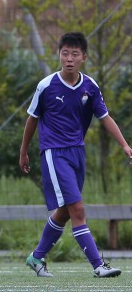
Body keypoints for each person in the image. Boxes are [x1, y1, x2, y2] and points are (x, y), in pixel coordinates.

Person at [19, 31, 128, 278]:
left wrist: (124, 145)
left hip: (78, 153)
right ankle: (98, 265)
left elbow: (105, 117)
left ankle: (36, 257)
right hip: (53, 153)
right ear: (59, 55)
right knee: (78, 209)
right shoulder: (46, 86)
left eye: (74, 54)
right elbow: (32, 119)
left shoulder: (90, 86)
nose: (69, 58)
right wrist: (23, 151)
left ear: (84, 58)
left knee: (66, 211)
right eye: (64, 53)